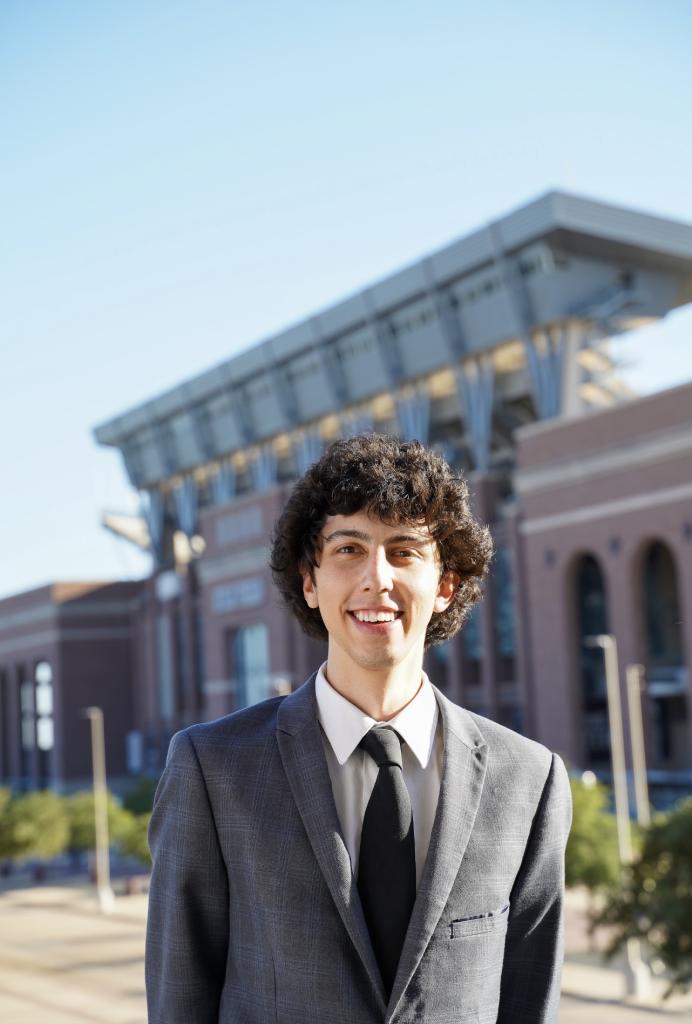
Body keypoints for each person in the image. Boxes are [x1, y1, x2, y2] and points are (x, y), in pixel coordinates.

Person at [145, 434, 572, 1024]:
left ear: (445, 585)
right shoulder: (213, 769)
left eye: (404, 551)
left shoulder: (529, 780)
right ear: (310, 582)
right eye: (349, 549)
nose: (377, 578)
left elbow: (530, 1000)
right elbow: (179, 1003)